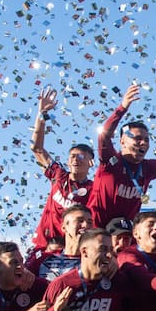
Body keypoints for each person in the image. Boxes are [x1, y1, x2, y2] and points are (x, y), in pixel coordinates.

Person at [88, 83, 156, 230]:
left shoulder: (149, 168)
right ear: (122, 141)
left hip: (125, 237)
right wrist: (122, 108)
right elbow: (104, 135)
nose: (143, 143)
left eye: (147, 140)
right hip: (96, 236)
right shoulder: (110, 162)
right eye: (138, 138)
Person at [30, 86, 95, 250]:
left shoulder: (94, 189)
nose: (75, 159)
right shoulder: (58, 175)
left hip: (72, 249)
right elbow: (37, 149)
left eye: (80, 156)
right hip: (44, 245)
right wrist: (41, 116)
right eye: (72, 156)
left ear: (90, 163)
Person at [27, 204, 91, 280]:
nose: (85, 225)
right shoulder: (42, 259)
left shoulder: (95, 262)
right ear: (64, 227)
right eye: (79, 221)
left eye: (90, 222)